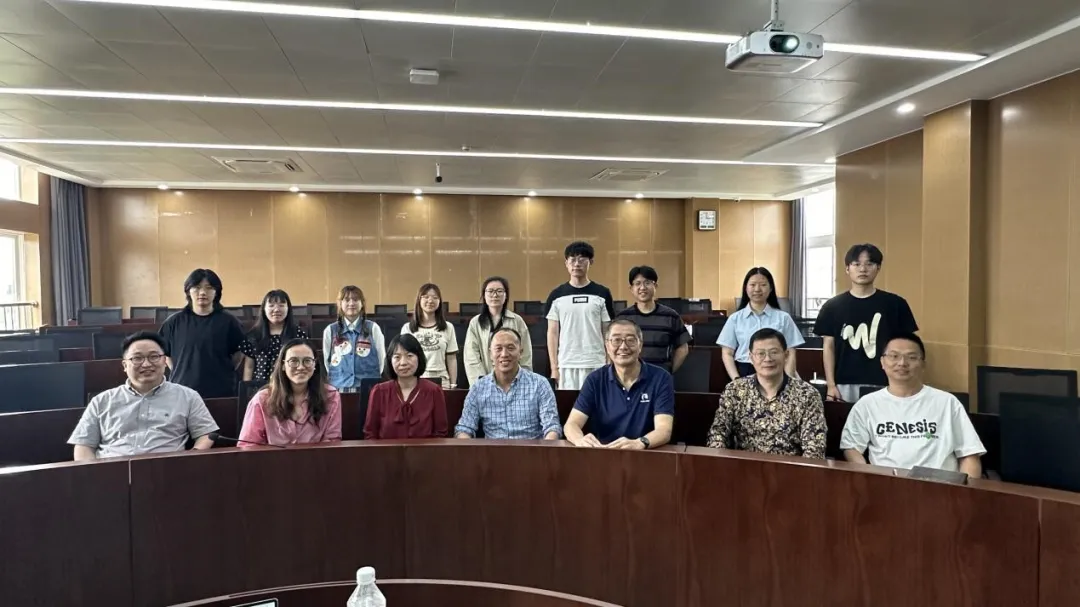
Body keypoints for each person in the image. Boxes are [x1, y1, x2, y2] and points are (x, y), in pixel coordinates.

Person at [841, 333, 985, 476]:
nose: (902, 363)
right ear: (882, 362)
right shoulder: (867, 404)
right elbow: (851, 447)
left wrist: (964, 488)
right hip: (887, 485)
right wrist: (869, 478)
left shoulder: (947, 403)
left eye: (911, 357)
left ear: (923, 364)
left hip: (940, 486)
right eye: (894, 356)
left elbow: (969, 454)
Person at [69, 331, 218, 460]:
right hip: (111, 473)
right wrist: (92, 474)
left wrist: (190, 459)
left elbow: (206, 434)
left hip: (167, 472)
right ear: (125, 365)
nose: (146, 364)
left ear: (164, 361)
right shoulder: (101, 401)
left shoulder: (188, 396)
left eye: (154, 357)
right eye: (137, 358)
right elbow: (83, 445)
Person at [814, 244, 918, 403]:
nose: (863, 269)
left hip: (887, 382)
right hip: (844, 383)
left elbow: (907, 346)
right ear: (847, 268)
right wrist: (831, 385)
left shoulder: (896, 304)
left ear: (878, 268)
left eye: (869, 264)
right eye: (856, 264)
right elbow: (828, 347)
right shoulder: (832, 307)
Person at [706, 328, 826, 458]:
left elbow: (815, 448)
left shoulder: (807, 394)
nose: (768, 359)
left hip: (791, 467)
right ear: (751, 357)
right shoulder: (735, 390)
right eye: (760, 353)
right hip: (743, 466)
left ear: (786, 355)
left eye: (774, 352)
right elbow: (718, 433)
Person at [564, 319, 673, 449]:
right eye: (616, 340)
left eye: (630, 340)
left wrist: (639, 443)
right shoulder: (595, 379)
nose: (623, 347)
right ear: (607, 346)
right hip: (604, 452)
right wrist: (580, 440)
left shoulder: (660, 378)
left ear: (640, 345)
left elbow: (664, 430)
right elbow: (571, 424)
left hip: (644, 453)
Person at [455, 328, 561, 440]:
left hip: (531, 449)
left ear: (520, 352)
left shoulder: (539, 384)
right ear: (490, 354)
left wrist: (545, 448)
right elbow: (465, 428)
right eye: (498, 348)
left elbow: (552, 427)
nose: (504, 354)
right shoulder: (478, 388)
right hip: (492, 450)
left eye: (510, 348)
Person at [160, 268, 246, 398]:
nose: (202, 292)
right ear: (188, 291)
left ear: (216, 292)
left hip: (221, 390)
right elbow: (166, 354)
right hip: (183, 391)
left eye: (209, 288)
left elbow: (238, 355)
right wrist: (182, 370)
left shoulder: (230, 322)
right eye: (197, 287)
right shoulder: (173, 322)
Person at [239, 338, 341, 447]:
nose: (301, 367)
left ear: (315, 364)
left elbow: (332, 442)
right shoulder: (261, 400)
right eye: (293, 361)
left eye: (307, 361)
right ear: (283, 365)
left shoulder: (331, 396)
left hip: (317, 457)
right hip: (273, 457)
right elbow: (248, 445)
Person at [545, 241, 615, 390]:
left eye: (582, 259)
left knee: (597, 403)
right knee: (569, 403)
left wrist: (609, 362)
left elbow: (607, 331)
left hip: (596, 362)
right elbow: (552, 333)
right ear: (566, 263)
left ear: (591, 262)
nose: (577, 264)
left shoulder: (602, 293)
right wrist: (554, 367)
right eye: (573, 260)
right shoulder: (556, 295)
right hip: (566, 364)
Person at [718, 267, 804, 379]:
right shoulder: (735, 319)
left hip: (776, 370)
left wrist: (788, 380)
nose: (757, 289)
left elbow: (790, 352)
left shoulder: (784, 318)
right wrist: (736, 380)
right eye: (752, 285)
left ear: (771, 288)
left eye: (763, 285)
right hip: (745, 370)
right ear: (745, 288)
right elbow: (727, 353)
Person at [365, 334, 448, 439]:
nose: (403, 362)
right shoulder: (379, 392)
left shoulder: (434, 391)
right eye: (397, 357)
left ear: (419, 357)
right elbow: (370, 434)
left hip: (425, 450)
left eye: (409, 356)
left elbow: (440, 434)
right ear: (390, 360)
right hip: (386, 450)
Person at [616, 265, 690, 373]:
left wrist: (667, 372)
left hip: (660, 377)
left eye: (647, 283)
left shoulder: (670, 316)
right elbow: (614, 347)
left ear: (655, 286)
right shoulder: (622, 317)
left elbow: (683, 348)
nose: (642, 288)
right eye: (637, 283)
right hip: (629, 376)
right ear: (631, 289)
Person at [463, 276, 533, 385]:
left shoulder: (517, 320)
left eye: (499, 291)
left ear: (506, 295)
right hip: (485, 382)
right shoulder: (476, 323)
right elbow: (471, 357)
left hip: (514, 381)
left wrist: (522, 382)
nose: (495, 295)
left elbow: (525, 354)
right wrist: (481, 383)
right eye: (490, 291)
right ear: (484, 295)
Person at [323, 285, 386, 391]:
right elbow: (326, 361)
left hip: (368, 387)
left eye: (356, 299)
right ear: (340, 303)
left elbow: (381, 358)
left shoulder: (373, 328)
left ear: (362, 303)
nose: (351, 303)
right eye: (347, 300)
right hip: (338, 386)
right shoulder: (330, 330)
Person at [240, 289, 309, 385]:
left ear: (288, 309)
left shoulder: (298, 334)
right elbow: (249, 367)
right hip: (261, 387)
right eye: (271, 305)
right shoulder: (254, 335)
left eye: (281, 305)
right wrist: (247, 388)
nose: (276, 310)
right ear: (264, 309)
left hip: (290, 386)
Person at [401, 283, 459, 389]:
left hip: (442, 380)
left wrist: (453, 384)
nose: (430, 300)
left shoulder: (448, 327)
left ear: (439, 302)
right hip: (416, 379)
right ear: (419, 300)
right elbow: (404, 359)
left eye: (435, 297)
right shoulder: (407, 328)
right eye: (426, 297)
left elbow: (451, 358)